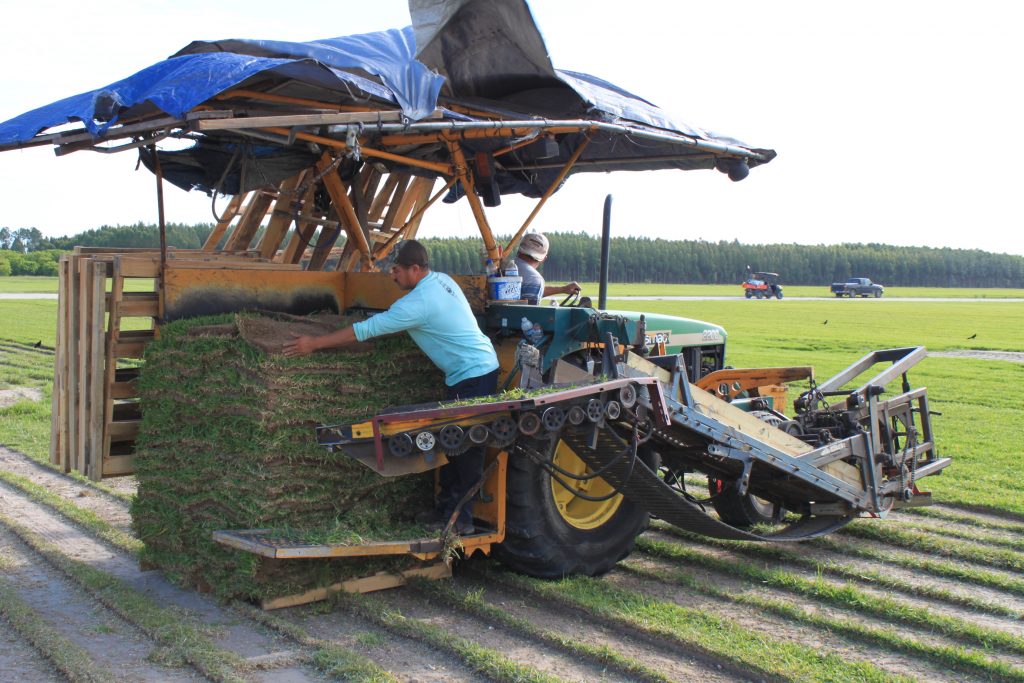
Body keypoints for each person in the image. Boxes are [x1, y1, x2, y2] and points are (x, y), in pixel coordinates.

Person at [283, 240, 499, 535]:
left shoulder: (418, 304)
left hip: (474, 375)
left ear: (414, 269)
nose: (391, 275)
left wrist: (314, 344)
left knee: (466, 450)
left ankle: (460, 520)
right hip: (469, 371)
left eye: (395, 270)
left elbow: (365, 331)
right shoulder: (442, 281)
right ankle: (444, 510)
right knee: (451, 446)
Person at [513, 232, 581, 305]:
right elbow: (530, 314)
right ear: (543, 259)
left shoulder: (502, 266)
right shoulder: (534, 278)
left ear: (519, 250)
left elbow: (535, 290)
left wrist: (563, 289)